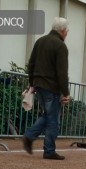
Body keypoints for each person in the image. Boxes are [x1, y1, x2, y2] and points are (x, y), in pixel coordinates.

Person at [23, 17, 71, 160]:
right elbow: (62, 72)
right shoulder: (60, 46)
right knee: (53, 120)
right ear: (62, 31)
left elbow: (31, 63)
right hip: (51, 87)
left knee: (47, 115)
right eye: (67, 31)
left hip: (39, 84)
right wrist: (66, 92)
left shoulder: (40, 41)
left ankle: (29, 136)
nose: (67, 34)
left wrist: (32, 83)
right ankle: (48, 150)